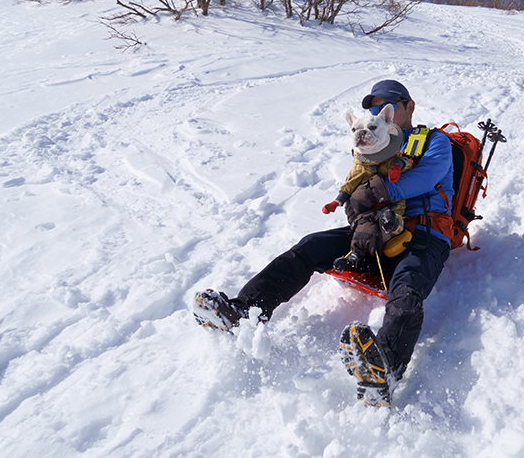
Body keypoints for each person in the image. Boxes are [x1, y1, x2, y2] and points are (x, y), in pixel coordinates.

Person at [193, 79, 454, 407]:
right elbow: (357, 183)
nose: (377, 113)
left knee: (408, 284)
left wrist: (379, 191)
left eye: (387, 105)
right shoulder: (374, 139)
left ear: (409, 106)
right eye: (371, 108)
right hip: (374, 233)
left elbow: (429, 175)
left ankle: (385, 365)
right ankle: (245, 310)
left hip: (424, 234)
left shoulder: (435, 141)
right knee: (312, 246)